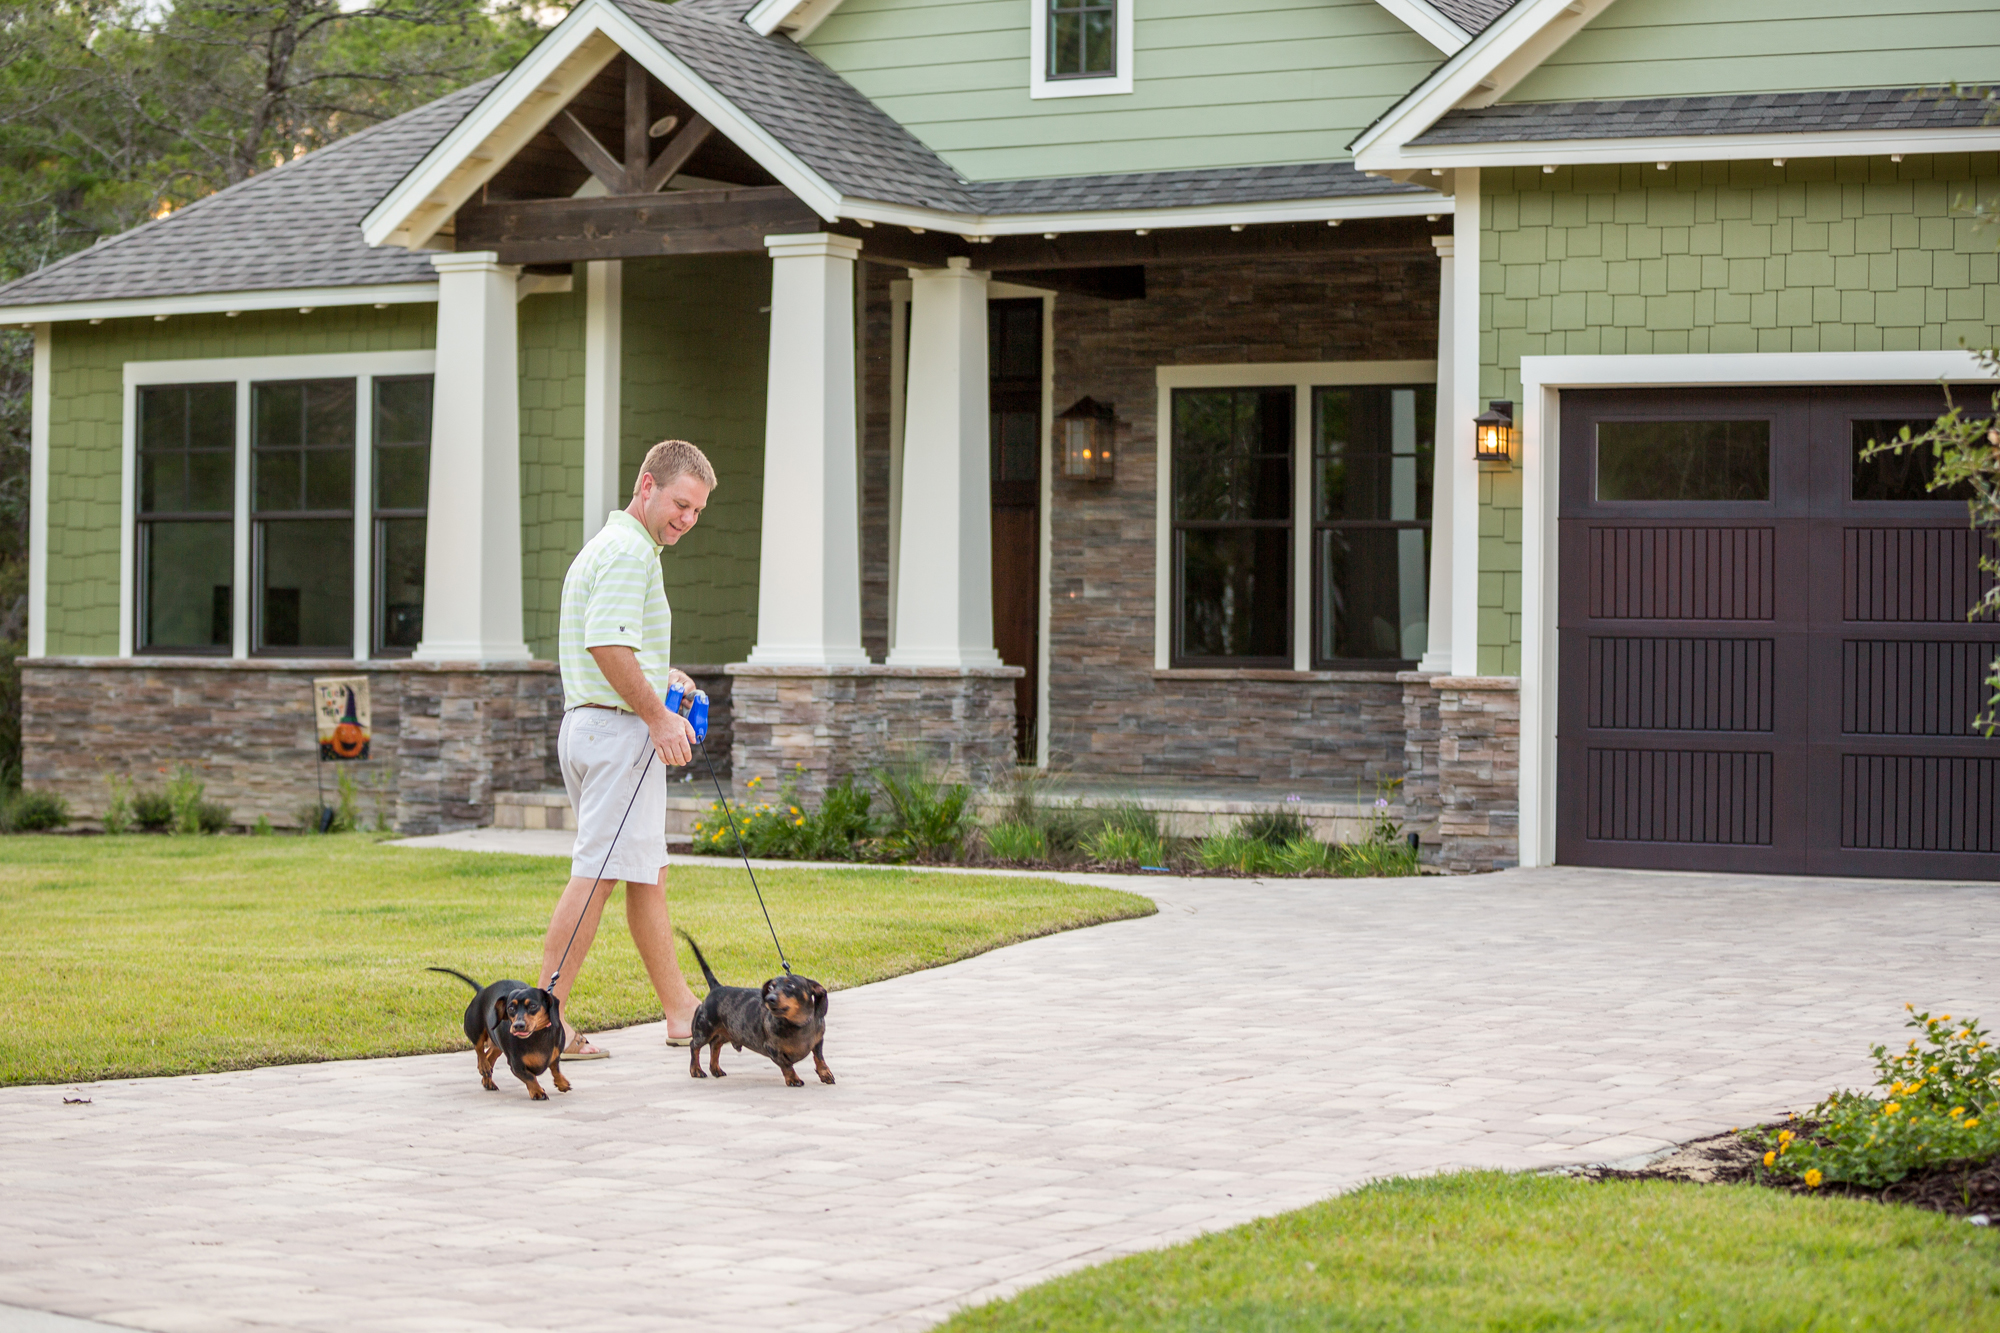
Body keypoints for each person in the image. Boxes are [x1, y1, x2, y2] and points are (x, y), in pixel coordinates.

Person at [542, 438, 714, 1056]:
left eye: (696, 511)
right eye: (679, 503)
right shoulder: (629, 554)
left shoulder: (612, 548)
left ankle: (681, 1012)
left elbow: (616, 648)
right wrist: (659, 718)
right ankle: (544, 1017)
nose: (686, 520)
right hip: (618, 738)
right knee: (595, 877)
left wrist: (662, 679)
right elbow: (606, 648)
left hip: (597, 727)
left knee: (647, 875)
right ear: (647, 485)